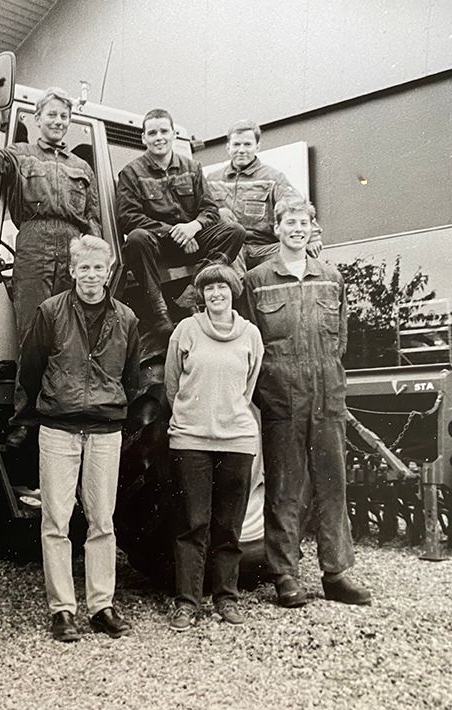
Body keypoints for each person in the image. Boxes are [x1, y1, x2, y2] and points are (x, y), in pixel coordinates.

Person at [242, 198, 372, 608]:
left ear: (312, 229)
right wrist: (272, 385)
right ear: (277, 228)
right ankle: (285, 575)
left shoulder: (331, 277)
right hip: (281, 396)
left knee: (333, 483)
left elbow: (341, 341)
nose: (296, 228)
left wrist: (324, 377)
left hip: (327, 394)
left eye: (303, 222)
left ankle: (335, 573)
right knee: (284, 487)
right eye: (289, 222)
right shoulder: (257, 280)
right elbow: (253, 344)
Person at [12, 235, 140, 643]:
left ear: (109, 272)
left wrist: (116, 411)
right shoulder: (50, 312)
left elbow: (132, 378)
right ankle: (63, 610)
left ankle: (102, 606)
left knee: (102, 521)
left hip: (105, 431)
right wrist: (32, 417)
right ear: (71, 271)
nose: (90, 275)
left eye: (98, 268)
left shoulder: (127, 319)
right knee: (57, 521)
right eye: (83, 267)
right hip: (59, 430)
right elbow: (29, 370)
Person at [164, 262, 263, 631]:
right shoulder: (186, 331)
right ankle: (187, 602)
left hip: (237, 440)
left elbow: (248, 387)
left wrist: (227, 416)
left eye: (222, 288)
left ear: (232, 292)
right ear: (201, 295)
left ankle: (226, 597)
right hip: (191, 440)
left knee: (229, 525)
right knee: (193, 523)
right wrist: (194, 418)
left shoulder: (250, 335)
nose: (215, 295)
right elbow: (172, 386)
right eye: (208, 290)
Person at [0, 86, 101, 339]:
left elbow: (91, 217)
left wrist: (97, 257)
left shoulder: (81, 167)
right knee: (34, 333)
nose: (58, 121)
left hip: (73, 249)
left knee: (72, 335)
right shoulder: (21, 154)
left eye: (64, 116)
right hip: (34, 244)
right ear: (37, 118)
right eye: (52, 115)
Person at [116, 108, 245, 341]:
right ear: (143, 138)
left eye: (164, 131)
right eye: (152, 133)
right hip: (156, 247)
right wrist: (175, 233)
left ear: (173, 134)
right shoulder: (131, 173)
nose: (159, 137)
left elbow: (210, 209)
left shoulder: (192, 168)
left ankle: (197, 288)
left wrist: (193, 227)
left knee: (234, 231)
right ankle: (159, 312)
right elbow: (128, 217)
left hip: (194, 240)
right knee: (136, 238)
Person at [207, 119, 323, 270]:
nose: (241, 150)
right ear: (228, 147)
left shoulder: (272, 178)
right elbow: (200, 211)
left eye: (247, 144)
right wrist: (217, 213)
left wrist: (313, 237)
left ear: (257, 147)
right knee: (228, 249)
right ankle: (240, 291)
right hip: (230, 247)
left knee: (294, 251)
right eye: (236, 144)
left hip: (263, 248)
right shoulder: (212, 180)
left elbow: (296, 207)